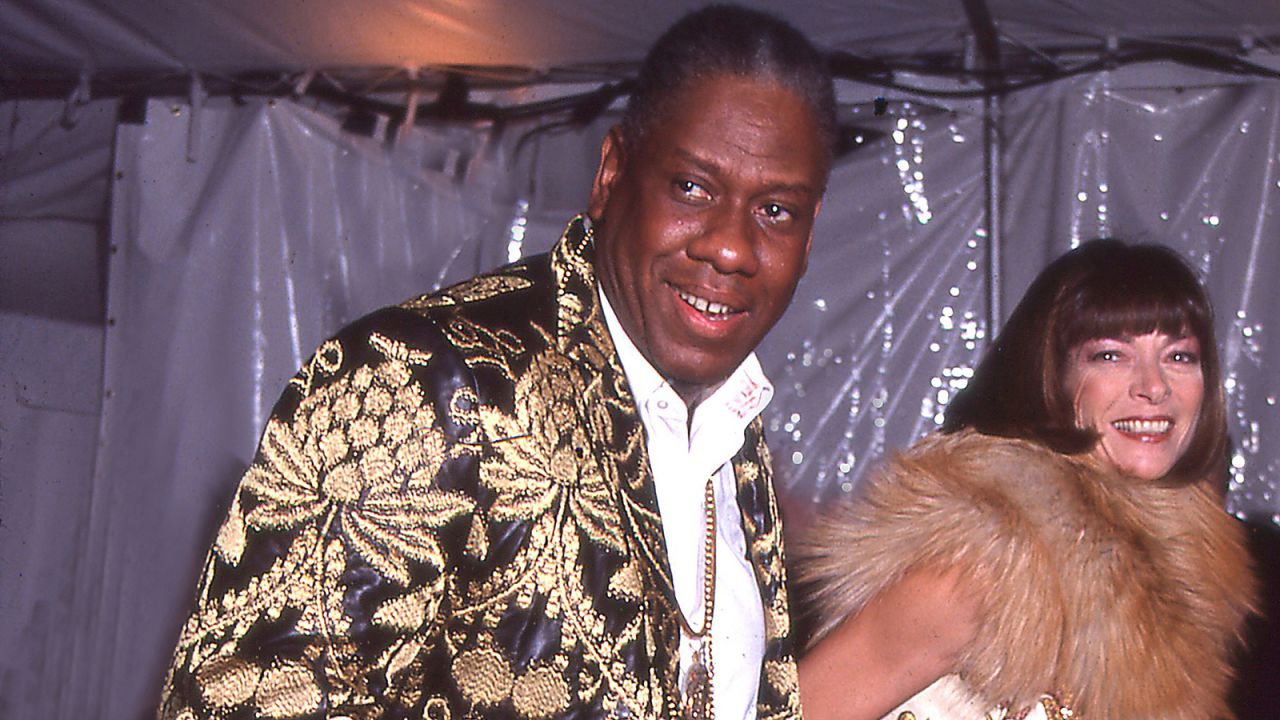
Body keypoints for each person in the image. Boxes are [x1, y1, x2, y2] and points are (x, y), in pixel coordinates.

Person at [158, 5, 837, 720]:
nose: (729, 246)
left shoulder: (736, 445)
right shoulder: (423, 378)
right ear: (611, 175)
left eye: (775, 211)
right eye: (691, 187)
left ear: (811, 235)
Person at [795, 240, 1258, 720]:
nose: (1154, 386)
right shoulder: (986, 559)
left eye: (1179, 356)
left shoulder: (1192, 568)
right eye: (1110, 356)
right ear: (1051, 374)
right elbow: (800, 710)